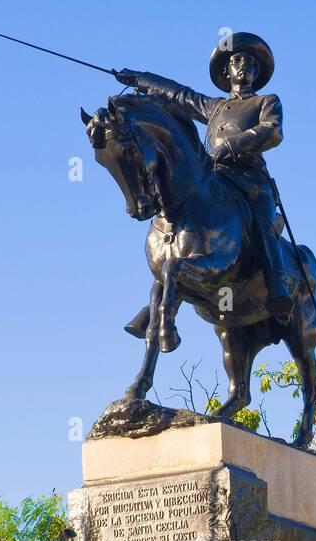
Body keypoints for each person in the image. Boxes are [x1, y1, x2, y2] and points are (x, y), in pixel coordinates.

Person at [115, 32, 294, 323]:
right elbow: (179, 94)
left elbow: (273, 131)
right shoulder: (215, 107)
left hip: (250, 182)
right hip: (217, 178)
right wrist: (139, 79)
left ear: (256, 72)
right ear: (227, 71)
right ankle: (157, 306)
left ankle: (278, 286)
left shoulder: (266, 101)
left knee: (263, 223)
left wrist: (232, 144)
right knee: (177, 218)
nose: (243, 65)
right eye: (237, 60)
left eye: (250, 62)